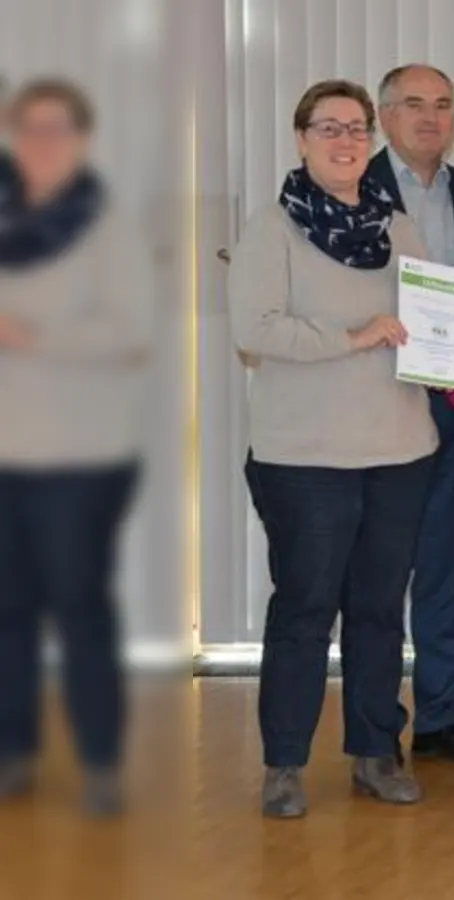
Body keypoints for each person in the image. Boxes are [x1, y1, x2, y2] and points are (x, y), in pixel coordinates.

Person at [229, 80, 436, 817]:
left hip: (400, 450)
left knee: (380, 609)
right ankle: (284, 763)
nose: (345, 140)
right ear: (301, 139)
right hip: (303, 459)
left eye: (356, 128)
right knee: (305, 609)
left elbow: (429, 322)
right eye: (328, 127)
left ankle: (376, 754)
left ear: (373, 141)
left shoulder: (399, 228)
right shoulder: (270, 230)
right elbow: (255, 331)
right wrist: (353, 337)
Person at [0, 79, 153, 818]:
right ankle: (14, 753)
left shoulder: (107, 225)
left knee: (78, 603)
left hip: (81, 456)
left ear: (83, 138)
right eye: (29, 128)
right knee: (7, 610)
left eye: (57, 128)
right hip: (6, 451)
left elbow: (130, 333)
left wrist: (34, 336)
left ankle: (99, 761)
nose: (42, 141)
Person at [366, 63, 454, 765]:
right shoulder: (343, 193)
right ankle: (374, 725)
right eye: (414, 104)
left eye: (444, 105)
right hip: (373, 408)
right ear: (384, 116)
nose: (431, 117)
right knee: (379, 574)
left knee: (448, 568)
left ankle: (439, 716)